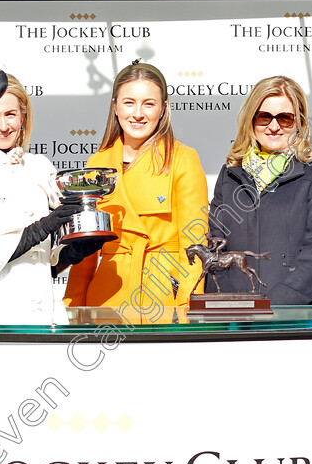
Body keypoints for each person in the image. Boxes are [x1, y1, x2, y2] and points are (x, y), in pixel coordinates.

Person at [0, 67, 88, 324]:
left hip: (43, 313)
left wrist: (77, 247)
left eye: (11, 114)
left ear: (23, 116)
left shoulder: (40, 166)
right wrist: (40, 229)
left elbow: (48, 260)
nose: (3, 125)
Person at [63, 61, 208, 311]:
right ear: (115, 106)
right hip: (107, 297)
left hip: (163, 297)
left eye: (148, 104)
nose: (138, 114)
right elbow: (84, 254)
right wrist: (74, 307)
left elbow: (194, 247)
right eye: (129, 102)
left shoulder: (183, 159)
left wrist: (188, 309)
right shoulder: (97, 163)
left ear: (163, 109)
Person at [207, 75, 312, 304]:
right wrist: (223, 307)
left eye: (284, 118)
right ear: (251, 121)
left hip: (297, 317)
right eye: (264, 117)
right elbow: (216, 246)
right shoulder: (229, 174)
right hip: (235, 316)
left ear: (299, 122)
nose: (273, 126)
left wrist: (273, 306)